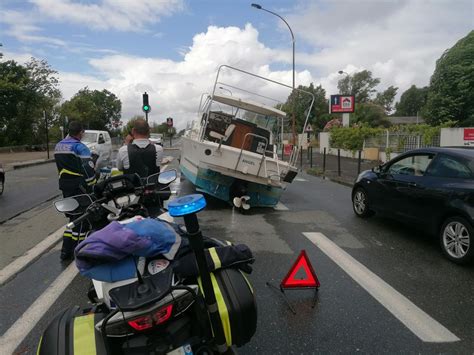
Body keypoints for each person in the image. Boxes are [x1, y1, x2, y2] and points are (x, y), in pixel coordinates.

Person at [54, 121, 97, 261]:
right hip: (80, 187)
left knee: (72, 217)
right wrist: (93, 184)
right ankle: (79, 251)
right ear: (80, 132)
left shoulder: (58, 146)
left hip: (65, 185)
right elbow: (87, 169)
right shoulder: (80, 147)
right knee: (82, 219)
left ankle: (65, 251)